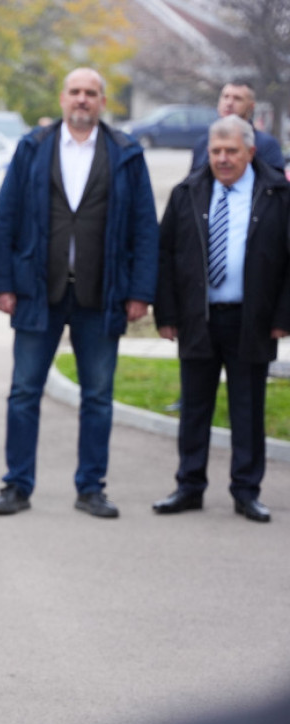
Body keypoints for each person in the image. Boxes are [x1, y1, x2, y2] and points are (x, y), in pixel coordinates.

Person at [0, 67, 158, 518]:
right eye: (75, 92)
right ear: (62, 98)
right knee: (24, 392)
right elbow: (6, 217)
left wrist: (140, 291)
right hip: (36, 292)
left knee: (98, 396)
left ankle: (91, 488)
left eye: (91, 93)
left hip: (103, 295)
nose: (82, 100)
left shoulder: (125, 153)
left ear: (102, 102)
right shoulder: (33, 147)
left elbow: (144, 227)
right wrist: (2, 283)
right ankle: (16, 486)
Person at [152, 115, 290, 524]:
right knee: (195, 407)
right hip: (199, 318)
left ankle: (246, 491)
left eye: (231, 151)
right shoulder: (188, 193)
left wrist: (284, 316)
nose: (223, 159)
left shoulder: (276, 195)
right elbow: (165, 255)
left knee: (248, 409)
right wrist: (168, 314)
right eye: (216, 151)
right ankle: (189, 486)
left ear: (250, 151)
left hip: (253, 319)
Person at [190, 80, 283, 172]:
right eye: (225, 97)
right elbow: (192, 183)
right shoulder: (203, 143)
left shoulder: (266, 145)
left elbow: (276, 183)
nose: (229, 103)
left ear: (251, 106)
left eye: (237, 98)